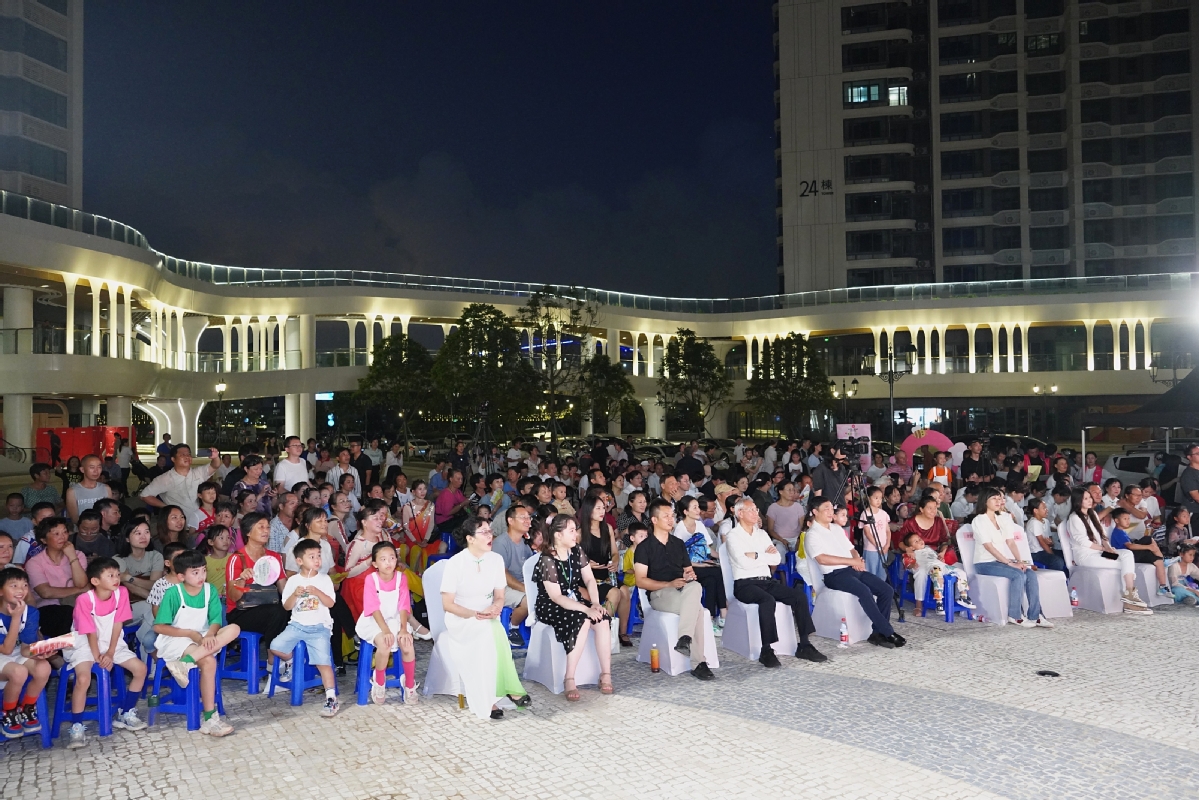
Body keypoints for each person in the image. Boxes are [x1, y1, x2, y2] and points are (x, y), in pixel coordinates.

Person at [438, 517, 531, 720]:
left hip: (488, 615)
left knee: (492, 629)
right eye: (484, 532)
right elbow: (448, 605)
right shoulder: (456, 563)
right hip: (461, 618)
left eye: (490, 531)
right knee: (490, 631)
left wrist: (495, 607)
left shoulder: (496, 560)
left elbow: (500, 595)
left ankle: (498, 694)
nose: (490, 536)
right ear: (470, 539)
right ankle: (498, 695)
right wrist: (475, 614)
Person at [61, 557, 148, 748]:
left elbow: (118, 624)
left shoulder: (121, 593)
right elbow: (89, 630)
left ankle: (125, 712)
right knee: (83, 679)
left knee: (140, 669)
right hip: (84, 643)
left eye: (117, 574)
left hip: (112, 641)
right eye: (110, 575)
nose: (116, 579)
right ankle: (76, 726)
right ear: (95, 581)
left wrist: (109, 652)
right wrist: (97, 656)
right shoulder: (84, 600)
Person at [725, 497, 824, 666]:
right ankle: (766, 649)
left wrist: (756, 555)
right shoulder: (733, 536)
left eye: (756, 510)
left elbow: (776, 559)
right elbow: (743, 563)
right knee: (767, 600)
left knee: (798, 596)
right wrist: (765, 556)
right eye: (751, 510)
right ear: (739, 513)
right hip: (745, 584)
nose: (756, 513)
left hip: (766, 581)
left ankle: (805, 644)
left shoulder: (762, 534)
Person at [153, 549, 240, 736]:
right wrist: (190, 634)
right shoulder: (173, 593)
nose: (201, 576)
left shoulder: (210, 590)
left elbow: (216, 619)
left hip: (203, 638)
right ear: (181, 576)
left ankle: (184, 664)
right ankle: (210, 718)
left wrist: (209, 634)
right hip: (177, 639)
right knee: (209, 661)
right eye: (195, 572)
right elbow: (159, 627)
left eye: (203, 571)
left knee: (234, 629)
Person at [805, 496, 904, 648]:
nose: (831, 512)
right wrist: (852, 562)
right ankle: (887, 631)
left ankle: (876, 633)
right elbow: (822, 559)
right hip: (834, 575)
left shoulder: (837, 528)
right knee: (864, 591)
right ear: (814, 511)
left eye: (832, 509)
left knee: (886, 590)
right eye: (826, 509)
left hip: (851, 570)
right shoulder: (812, 534)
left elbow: (851, 549)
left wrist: (858, 561)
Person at [533, 515, 615, 699]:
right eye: (571, 530)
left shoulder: (576, 551)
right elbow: (556, 597)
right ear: (558, 535)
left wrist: (594, 603)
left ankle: (605, 674)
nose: (575, 534)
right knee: (583, 619)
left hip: (575, 600)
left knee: (602, 619)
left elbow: (589, 579)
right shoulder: (547, 559)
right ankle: (570, 677)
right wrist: (586, 609)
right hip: (551, 605)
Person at [634, 498, 716, 680]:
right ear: (654, 520)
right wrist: (668, 584)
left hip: (682, 591)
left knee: (695, 585)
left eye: (672, 516)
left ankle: (685, 640)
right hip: (659, 594)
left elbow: (688, 571)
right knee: (698, 610)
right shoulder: (644, 547)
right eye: (666, 516)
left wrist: (689, 576)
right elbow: (640, 581)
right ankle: (698, 662)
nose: (671, 520)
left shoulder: (678, 544)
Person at [269, 538, 340, 716]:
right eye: (312, 557)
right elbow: (287, 606)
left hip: (319, 627)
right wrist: (294, 594)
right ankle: (292, 662)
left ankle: (331, 698)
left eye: (318, 556)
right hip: (297, 625)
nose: (317, 560)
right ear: (299, 561)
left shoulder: (324, 580)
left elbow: (331, 603)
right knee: (275, 646)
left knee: (323, 662)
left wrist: (317, 592)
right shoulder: (293, 581)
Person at [969, 486, 1052, 628]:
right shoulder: (979, 520)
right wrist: (1010, 563)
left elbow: (1011, 542)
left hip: (1000, 561)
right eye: (994, 498)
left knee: (1029, 573)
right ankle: (1015, 615)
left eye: (999, 498)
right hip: (984, 563)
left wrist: (1019, 561)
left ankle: (1036, 615)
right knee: (1018, 574)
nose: (998, 501)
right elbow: (989, 546)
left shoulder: (1001, 518)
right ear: (985, 501)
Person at [1064, 486, 1151, 614]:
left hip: (1100, 553)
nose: (1090, 500)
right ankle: (1130, 600)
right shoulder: (1074, 518)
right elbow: (1084, 542)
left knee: (1126, 554)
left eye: (1089, 498)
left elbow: (1103, 535)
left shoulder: (1092, 514)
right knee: (1122, 564)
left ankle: (1129, 594)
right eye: (1086, 498)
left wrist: (1109, 548)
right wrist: (1104, 549)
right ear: (1078, 501)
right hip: (1087, 556)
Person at [356, 539, 418, 707]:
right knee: (385, 643)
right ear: (375, 563)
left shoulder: (401, 578)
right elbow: (373, 607)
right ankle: (380, 680)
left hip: (395, 619)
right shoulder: (371, 579)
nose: (388, 562)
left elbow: (404, 606)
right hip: (373, 620)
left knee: (407, 643)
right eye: (383, 559)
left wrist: (404, 629)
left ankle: (410, 684)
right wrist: (385, 630)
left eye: (392, 558)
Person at [224, 512, 290, 656]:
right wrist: (241, 580)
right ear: (248, 531)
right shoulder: (237, 558)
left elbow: (284, 590)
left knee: (295, 611)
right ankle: (275, 660)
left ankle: (291, 659)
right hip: (241, 613)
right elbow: (233, 597)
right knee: (277, 612)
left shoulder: (274, 557)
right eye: (261, 527)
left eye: (267, 527)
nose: (266, 531)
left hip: (270, 609)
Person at [0, 566, 51, 737]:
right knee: (19, 672)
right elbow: (6, 650)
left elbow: (23, 649)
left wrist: (39, 652)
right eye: (13, 586)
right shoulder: (17, 614)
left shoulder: (30, 612)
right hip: (3, 654)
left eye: (24, 586)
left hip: (13, 654)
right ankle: (8, 712)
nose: (20, 590)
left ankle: (27, 707)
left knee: (44, 667)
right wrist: (15, 617)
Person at [671, 496, 727, 634]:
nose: (698, 510)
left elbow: (707, 550)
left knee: (712, 580)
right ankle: (723, 613)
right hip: (686, 567)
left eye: (698, 507)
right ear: (685, 511)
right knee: (716, 572)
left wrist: (722, 557)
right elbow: (679, 558)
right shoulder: (680, 529)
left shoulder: (700, 525)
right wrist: (701, 565)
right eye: (694, 507)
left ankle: (710, 618)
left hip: (702, 565)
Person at [24, 517, 88, 637]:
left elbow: (81, 583)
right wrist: (79, 590)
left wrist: (72, 556)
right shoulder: (34, 563)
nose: (63, 537)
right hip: (47, 608)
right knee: (66, 613)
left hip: (77, 605)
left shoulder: (78, 555)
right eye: (56, 534)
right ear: (44, 539)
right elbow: (45, 593)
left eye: (65, 532)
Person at [898, 531, 974, 614]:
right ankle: (939, 602)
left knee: (961, 572)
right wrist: (912, 564)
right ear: (911, 547)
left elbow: (937, 556)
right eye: (916, 541)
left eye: (919, 539)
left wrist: (940, 557)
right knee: (937, 575)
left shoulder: (928, 549)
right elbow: (906, 562)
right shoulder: (912, 553)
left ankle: (963, 596)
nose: (920, 541)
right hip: (931, 567)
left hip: (943, 566)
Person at [491, 504, 533, 646]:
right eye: (523, 517)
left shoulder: (526, 542)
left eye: (529, 517)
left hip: (522, 584)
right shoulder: (500, 543)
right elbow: (503, 575)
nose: (528, 520)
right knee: (529, 600)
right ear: (510, 520)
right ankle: (513, 626)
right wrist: (526, 589)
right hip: (502, 586)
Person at [1108, 507, 1171, 599]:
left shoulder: (1123, 532)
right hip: (1126, 555)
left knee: (1158, 561)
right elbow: (1130, 546)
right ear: (1116, 520)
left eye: (1128, 518)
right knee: (1148, 539)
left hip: (1132, 554)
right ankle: (1162, 558)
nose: (1128, 521)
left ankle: (1162, 586)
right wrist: (1148, 547)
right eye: (1125, 519)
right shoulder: (1118, 532)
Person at [897, 496, 957, 566]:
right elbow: (900, 542)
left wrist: (942, 552)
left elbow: (944, 541)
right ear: (921, 509)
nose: (933, 511)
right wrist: (907, 549)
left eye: (935, 507)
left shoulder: (938, 521)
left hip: (935, 556)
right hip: (918, 558)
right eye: (930, 508)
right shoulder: (910, 523)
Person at [283, 507, 335, 577]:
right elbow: (290, 575)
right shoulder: (297, 547)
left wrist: (335, 582)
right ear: (308, 526)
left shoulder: (326, 545)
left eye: (325, 520)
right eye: (319, 521)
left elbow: (332, 570)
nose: (324, 524)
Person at [65, 455, 112, 524]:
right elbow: (75, 518)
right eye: (92, 467)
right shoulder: (72, 491)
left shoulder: (106, 488)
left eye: (99, 467)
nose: (96, 471)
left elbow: (109, 513)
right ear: (82, 469)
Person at [858, 486, 891, 580]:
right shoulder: (865, 514)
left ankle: (880, 592)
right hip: (871, 549)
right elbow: (867, 533)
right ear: (868, 498)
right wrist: (878, 546)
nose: (879, 500)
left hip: (884, 548)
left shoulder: (883, 513)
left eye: (880, 498)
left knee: (882, 572)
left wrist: (887, 545)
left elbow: (888, 531)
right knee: (870, 573)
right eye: (876, 498)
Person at [1024, 498, 1066, 572]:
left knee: (1065, 556)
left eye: (1046, 507)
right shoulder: (1034, 523)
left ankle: (1065, 579)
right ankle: (1054, 580)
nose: (1047, 510)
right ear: (1035, 511)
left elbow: (1050, 541)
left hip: (1045, 550)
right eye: (1044, 508)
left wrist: (1051, 543)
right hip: (1036, 553)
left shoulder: (1046, 521)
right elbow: (1042, 542)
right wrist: (1052, 554)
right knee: (1057, 561)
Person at [765, 480, 805, 554]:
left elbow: (803, 527)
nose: (792, 492)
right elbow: (770, 530)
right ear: (781, 492)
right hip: (779, 539)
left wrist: (799, 540)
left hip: (796, 539)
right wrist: (782, 540)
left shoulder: (798, 507)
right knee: (779, 550)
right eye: (789, 490)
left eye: (793, 490)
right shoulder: (773, 508)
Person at [434, 469, 471, 534]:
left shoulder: (457, 491)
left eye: (461, 479)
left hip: (451, 518)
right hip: (443, 523)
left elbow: (465, 504)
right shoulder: (447, 494)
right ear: (451, 479)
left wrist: (470, 512)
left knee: (471, 519)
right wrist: (462, 504)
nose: (461, 482)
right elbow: (447, 513)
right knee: (468, 524)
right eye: (458, 479)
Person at [200, 524, 232, 599]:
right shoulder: (205, 561)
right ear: (211, 542)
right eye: (221, 538)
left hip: (230, 597)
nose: (226, 541)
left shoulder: (234, 557)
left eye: (228, 538)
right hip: (213, 598)